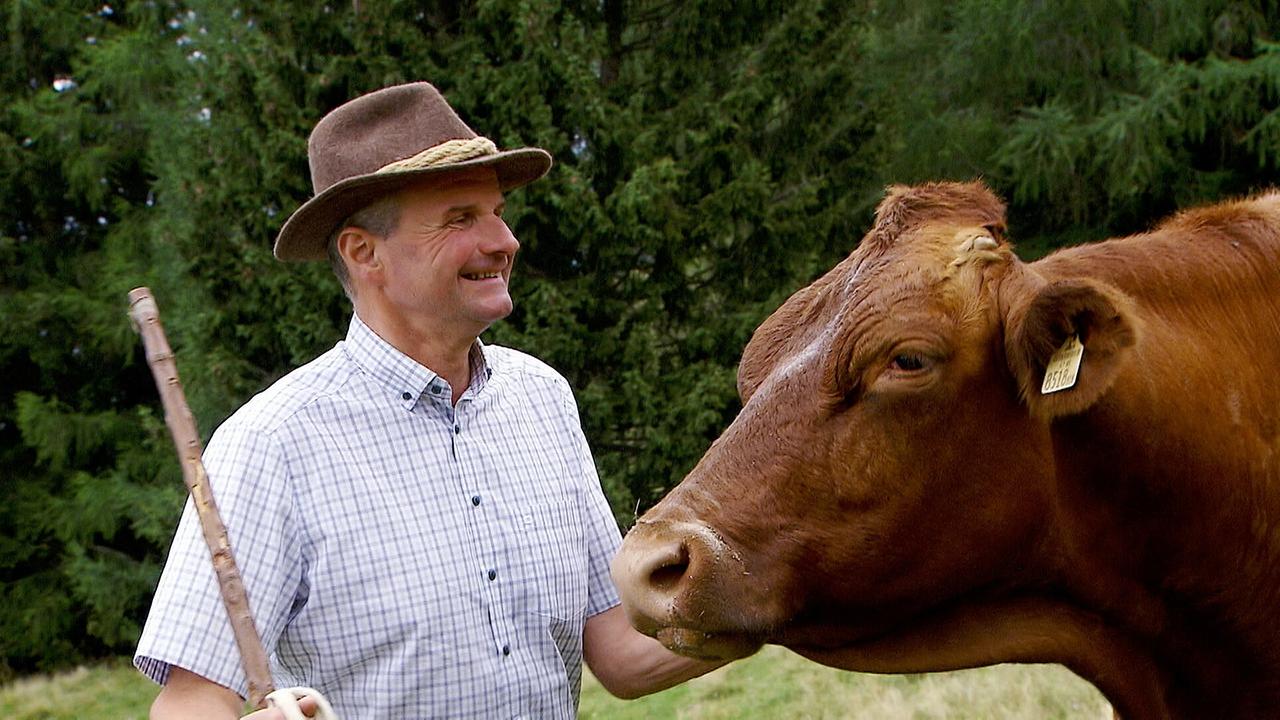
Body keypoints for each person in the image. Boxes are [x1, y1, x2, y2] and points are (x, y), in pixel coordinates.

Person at [134, 81, 722, 719]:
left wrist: (785, 598)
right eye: (460, 218)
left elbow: (618, 653)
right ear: (365, 253)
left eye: (497, 211)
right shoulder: (271, 444)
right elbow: (189, 702)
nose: (504, 241)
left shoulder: (542, 400)